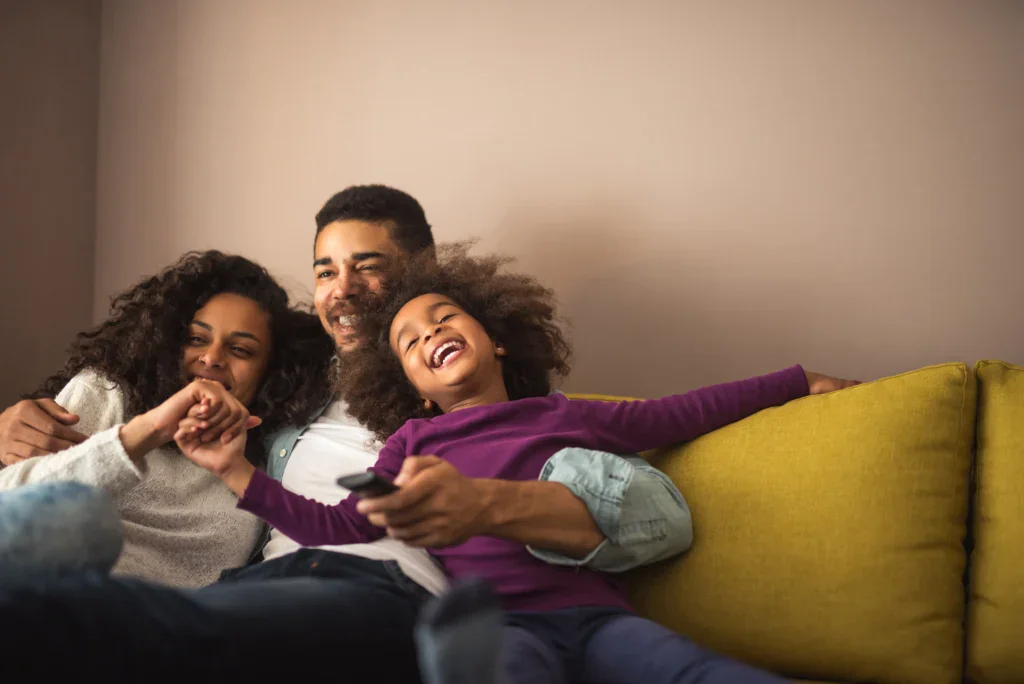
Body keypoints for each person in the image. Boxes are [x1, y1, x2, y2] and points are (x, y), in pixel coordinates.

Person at [0, 186, 694, 679]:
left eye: (369, 267)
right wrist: (20, 419)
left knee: (165, 631)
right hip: (266, 583)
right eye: (326, 270)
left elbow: (655, 515)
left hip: (381, 591)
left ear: (425, 278)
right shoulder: (286, 385)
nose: (342, 288)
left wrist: (486, 504)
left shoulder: (474, 398)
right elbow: (184, 400)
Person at [178, 244, 858, 684]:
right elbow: (337, 524)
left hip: (598, 619)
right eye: (411, 341)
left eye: (444, 318)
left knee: (693, 671)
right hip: (500, 628)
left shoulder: (565, 414)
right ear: (411, 385)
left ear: (496, 341)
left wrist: (798, 381)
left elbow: (684, 411)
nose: (432, 334)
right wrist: (233, 469)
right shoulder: (413, 443)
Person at [0, 250, 334, 585]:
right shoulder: (107, 393)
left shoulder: (259, 461)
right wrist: (151, 429)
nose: (213, 357)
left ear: (270, 372)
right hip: (45, 596)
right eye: (196, 339)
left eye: (240, 350)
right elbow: (13, 507)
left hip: (163, 626)